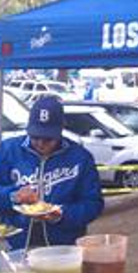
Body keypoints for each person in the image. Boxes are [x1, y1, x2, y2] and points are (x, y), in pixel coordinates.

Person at [0, 96, 104, 249]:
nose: (41, 144)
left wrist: (62, 215)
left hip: (64, 245)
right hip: (16, 244)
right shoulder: (7, 150)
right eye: (35, 137)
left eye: (48, 139)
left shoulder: (80, 157)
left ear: (60, 131)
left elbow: (93, 203)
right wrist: (13, 196)